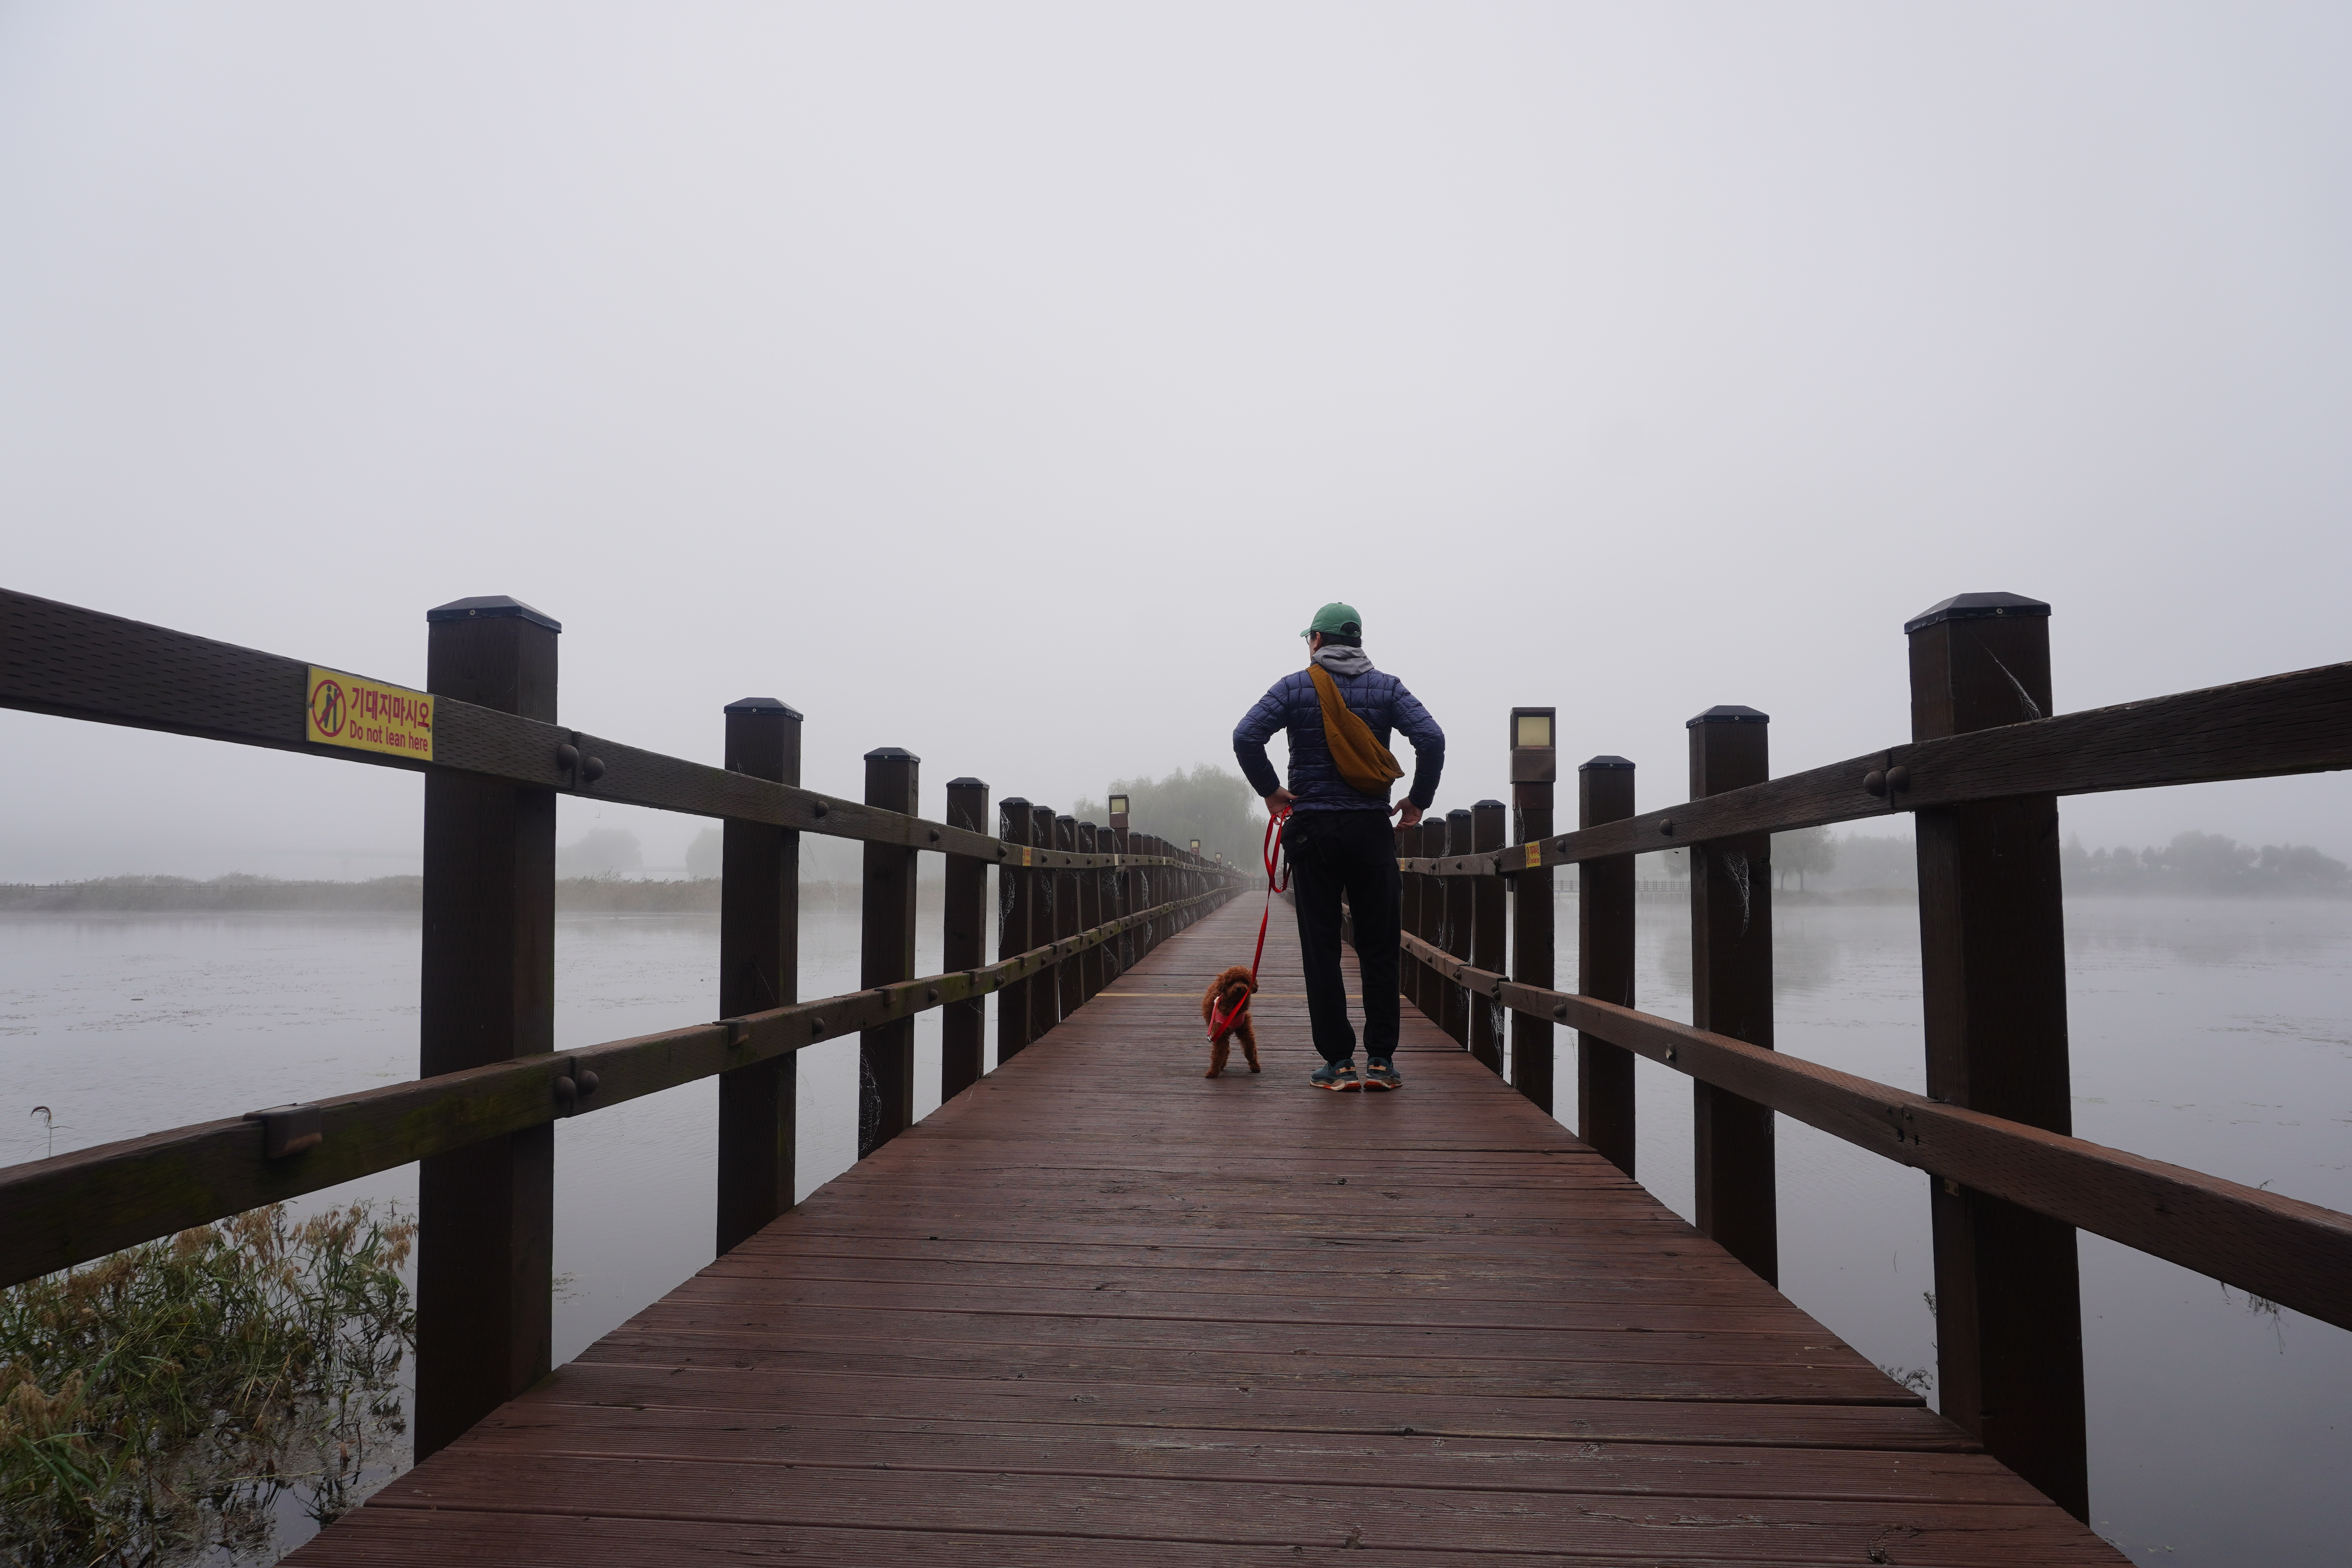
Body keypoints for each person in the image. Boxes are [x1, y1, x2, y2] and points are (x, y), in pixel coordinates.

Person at [1232, 602, 1445, 1091]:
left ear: (1317, 641)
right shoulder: (1388, 688)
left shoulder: (1294, 686)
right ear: (1359, 641)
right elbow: (1431, 739)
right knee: (1379, 947)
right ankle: (1381, 1063)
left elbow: (1247, 736)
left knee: (1322, 948)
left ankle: (1339, 1064)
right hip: (1372, 831)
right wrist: (1417, 800)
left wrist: (1270, 790)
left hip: (1315, 832)